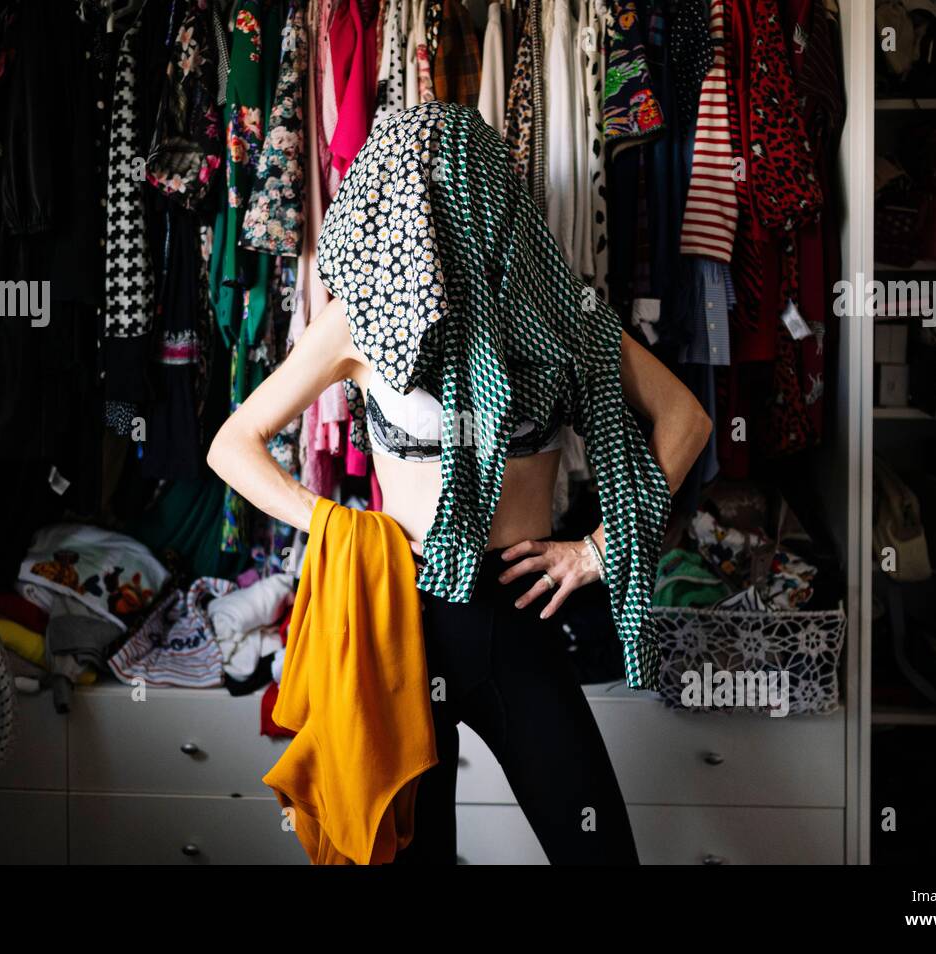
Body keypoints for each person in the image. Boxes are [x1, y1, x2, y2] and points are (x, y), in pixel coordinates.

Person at [208, 102, 712, 864]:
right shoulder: (361, 320)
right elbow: (233, 444)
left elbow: (686, 419)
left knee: (601, 853)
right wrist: (340, 526)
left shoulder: (555, 307)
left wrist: (598, 550)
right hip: (401, 616)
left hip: (518, 614)